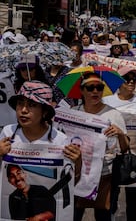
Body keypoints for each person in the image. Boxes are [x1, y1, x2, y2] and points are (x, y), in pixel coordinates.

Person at [0, 81, 81, 220]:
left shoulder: (59, 140)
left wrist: (78, 162)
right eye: (20, 103)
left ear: (45, 112)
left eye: (32, 105)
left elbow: (72, 183)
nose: (23, 110)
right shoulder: (8, 132)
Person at [72, 72, 128, 221]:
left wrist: (120, 134)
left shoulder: (114, 114)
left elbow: (124, 149)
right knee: (73, 215)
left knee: (104, 216)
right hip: (77, 175)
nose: (95, 91)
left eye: (99, 87)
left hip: (106, 176)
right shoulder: (72, 114)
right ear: (82, 91)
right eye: (90, 88)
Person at [103, 67, 136, 221]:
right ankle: (111, 215)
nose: (132, 82)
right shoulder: (107, 100)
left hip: (134, 152)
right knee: (112, 190)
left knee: (133, 191)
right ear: (119, 82)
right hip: (112, 152)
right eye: (127, 79)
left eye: (134, 79)